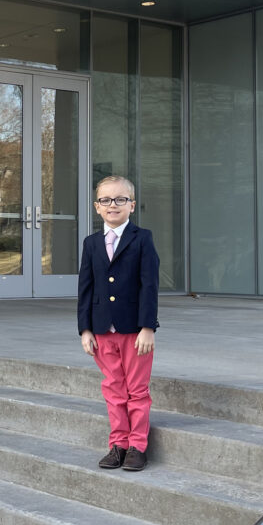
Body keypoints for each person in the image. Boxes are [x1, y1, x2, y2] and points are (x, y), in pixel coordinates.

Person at [77, 175, 159, 472]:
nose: (113, 205)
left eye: (120, 199)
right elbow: (86, 288)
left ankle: (137, 446)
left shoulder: (143, 239)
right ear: (97, 207)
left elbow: (149, 285)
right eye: (106, 200)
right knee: (113, 388)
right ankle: (118, 444)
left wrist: (148, 327)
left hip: (135, 331)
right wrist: (85, 328)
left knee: (136, 389)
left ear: (132, 205)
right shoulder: (91, 243)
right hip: (102, 331)